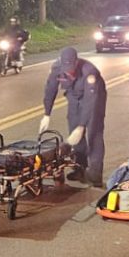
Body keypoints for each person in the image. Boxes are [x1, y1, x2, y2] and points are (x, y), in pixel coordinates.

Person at [40, 46, 107, 186]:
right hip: (74, 97)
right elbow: (50, 89)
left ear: (76, 62)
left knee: (94, 133)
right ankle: (80, 168)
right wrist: (47, 113)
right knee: (74, 132)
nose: (68, 70)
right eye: (66, 68)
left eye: (71, 67)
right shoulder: (57, 68)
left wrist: (82, 125)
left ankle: (95, 174)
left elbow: (90, 101)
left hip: (94, 97)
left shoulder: (89, 72)